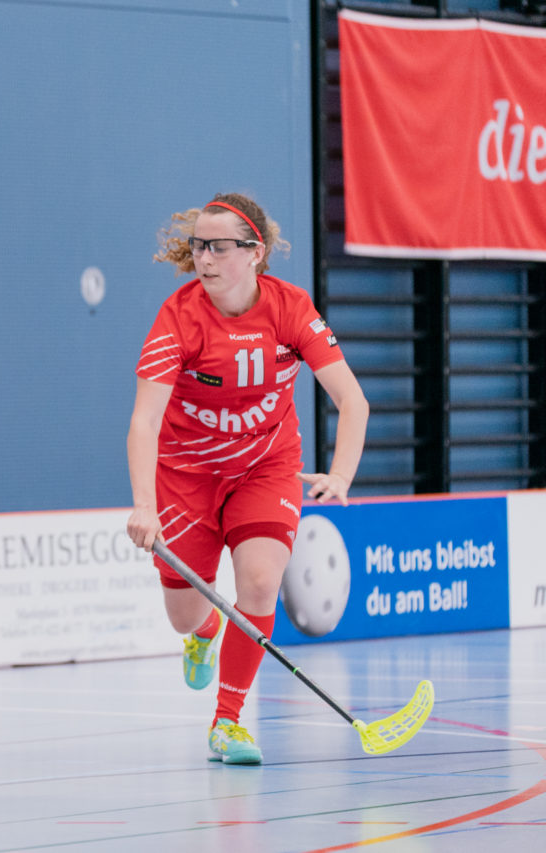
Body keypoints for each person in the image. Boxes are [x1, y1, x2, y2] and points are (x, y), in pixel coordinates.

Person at [125, 192, 368, 765]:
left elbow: (351, 401)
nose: (204, 259)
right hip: (186, 476)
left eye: (219, 247)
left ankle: (228, 722)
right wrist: (144, 505)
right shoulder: (178, 318)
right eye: (198, 246)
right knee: (184, 614)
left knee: (259, 583)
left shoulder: (289, 308)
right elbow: (144, 420)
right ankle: (207, 630)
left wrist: (340, 474)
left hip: (267, 465)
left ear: (254, 253)